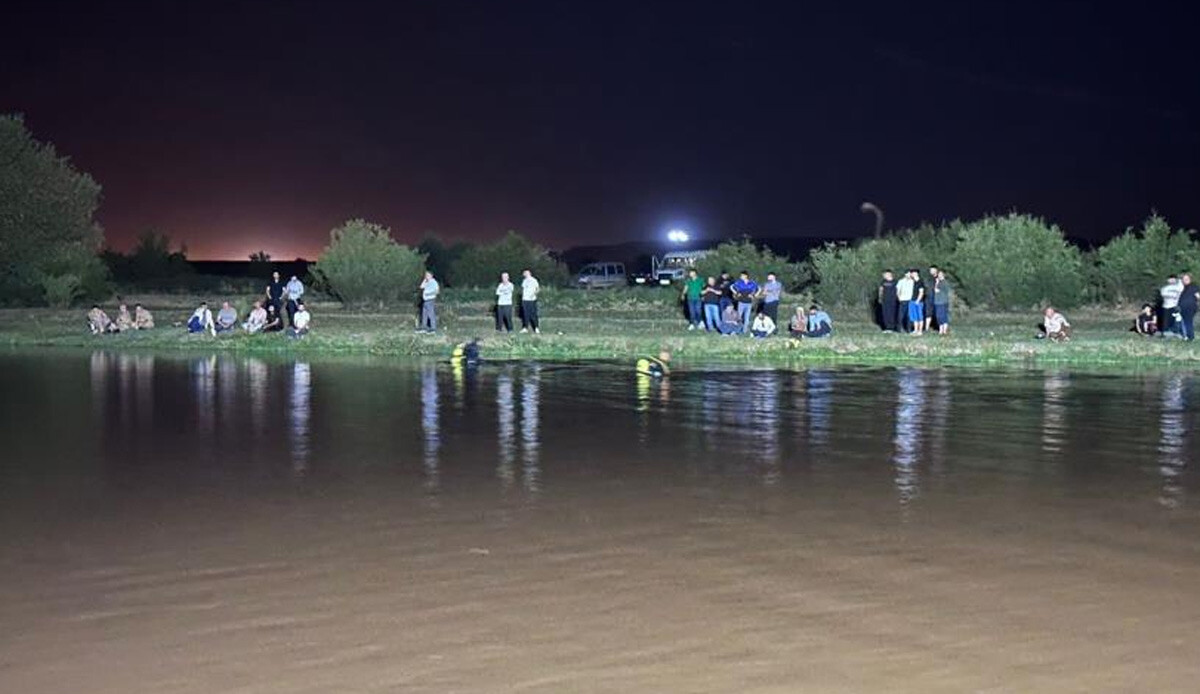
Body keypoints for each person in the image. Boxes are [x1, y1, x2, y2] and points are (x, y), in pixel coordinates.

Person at [520, 269, 540, 333]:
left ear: (529, 273)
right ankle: (525, 328)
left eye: (525, 273)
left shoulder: (534, 280)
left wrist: (533, 294)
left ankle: (536, 328)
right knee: (525, 314)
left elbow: (538, 289)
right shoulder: (524, 281)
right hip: (525, 300)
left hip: (532, 300)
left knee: (533, 314)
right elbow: (523, 289)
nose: (524, 274)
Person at [1179, 273, 1197, 342]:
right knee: (1184, 322)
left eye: (1186, 279)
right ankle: (1186, 336)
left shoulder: (1193, 286)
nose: (1185, 280)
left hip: (1190, 307)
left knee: (1188, 321)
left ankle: (1190, 337)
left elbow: (1198, 296)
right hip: (1183, 308)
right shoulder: (1183, 288)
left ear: (1190, 279)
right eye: (1183, 279)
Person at [932, 270, 952, 335]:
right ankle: (941, 329)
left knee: (943, 316)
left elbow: (937, 290)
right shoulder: (938, 282)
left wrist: (937, 284)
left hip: (943, 301)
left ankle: (944, 330)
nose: (939, 275)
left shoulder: (944, 282)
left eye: (941, 274)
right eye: (939, 274)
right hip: (937, 302)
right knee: (938, 316)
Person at [908, 269, 926, 335]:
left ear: (916, 274)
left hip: (918, 302)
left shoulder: (920, 282)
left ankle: (920, 331)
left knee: (920, 316)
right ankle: (915, 330)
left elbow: (921, 292)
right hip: (912, 300)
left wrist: (917, 301)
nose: (911, 274)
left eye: (912, 273)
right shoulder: (913, 282)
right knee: (914, 317)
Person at [924, 265, 939, 332]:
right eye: (931, 270)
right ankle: (927, 328)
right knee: (928, 313)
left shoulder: (939, 278)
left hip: (937, 298)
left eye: (933, 270)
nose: (931, 271)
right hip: (928, 298)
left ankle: (938, 327)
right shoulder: (928, 279)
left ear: (936, 270)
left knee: (937, 313)